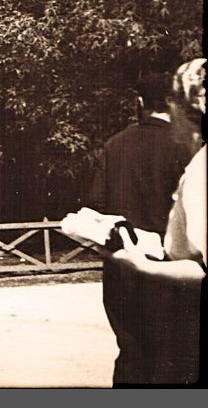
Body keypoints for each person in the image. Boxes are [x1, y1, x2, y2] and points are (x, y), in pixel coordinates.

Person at [88, 71, 197, 385]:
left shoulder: (114, 145)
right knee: (177, 359)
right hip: (174, 271)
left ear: (139, 103)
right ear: (174, 103)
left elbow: (97, 206)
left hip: (124, 270)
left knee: (132, 354)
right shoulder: (186, 147)